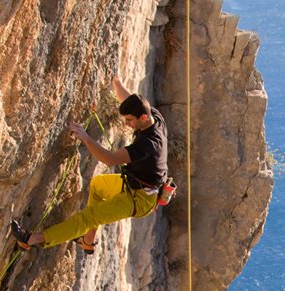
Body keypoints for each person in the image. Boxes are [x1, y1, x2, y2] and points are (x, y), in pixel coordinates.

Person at [11, 74, 168, 254]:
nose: (126, 124)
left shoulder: (148, 144)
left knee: (87, 217)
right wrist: (117, 82)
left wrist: (85, 137)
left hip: (141, 200)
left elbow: (110, 159)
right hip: (134, 185)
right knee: (98, 186)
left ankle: (33, 239)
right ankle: (88, 239)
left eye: (129, 120)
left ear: (142, 117)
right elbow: (129, 98)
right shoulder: (154, 116)